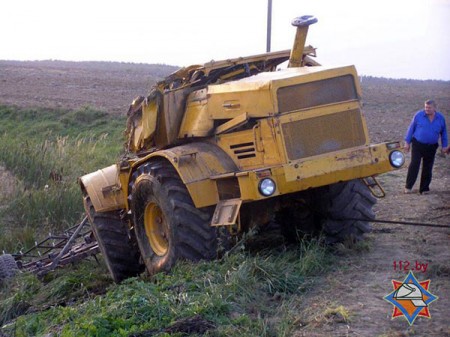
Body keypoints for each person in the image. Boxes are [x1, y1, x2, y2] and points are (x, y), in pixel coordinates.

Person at [404, 99, 448, 194]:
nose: (427, 109)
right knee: (414, 165)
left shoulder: (441, 118)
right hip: (417, 144)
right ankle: (408, 187)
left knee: (428, 167)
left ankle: (424, 189)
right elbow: (411, 128)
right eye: (425, 107)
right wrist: (407, 142)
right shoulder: (419, 115)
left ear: (434, 108)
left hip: (431, 147)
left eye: (429, 108)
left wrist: (445, 146)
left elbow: (444, 132)